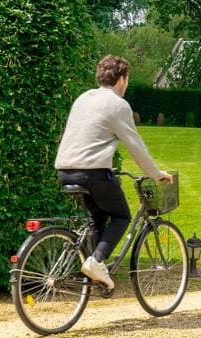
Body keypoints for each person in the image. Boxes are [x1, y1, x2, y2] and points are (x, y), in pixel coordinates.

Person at [55, 55, 172, 290]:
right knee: (121, 216)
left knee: (97, 218)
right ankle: (97, 261)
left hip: (65, 170)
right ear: (121, 79)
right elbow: (135, 146)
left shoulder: (83, 98)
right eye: (127, 79)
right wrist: (155, 173)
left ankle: (91, 270)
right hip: (92, 172)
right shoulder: (118, 105)